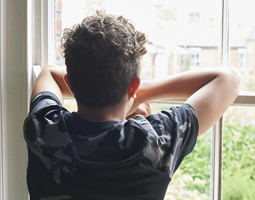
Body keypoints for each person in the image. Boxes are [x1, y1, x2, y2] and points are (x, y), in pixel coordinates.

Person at [23, 10, 241, 200]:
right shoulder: (154, 141)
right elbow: (228, 79)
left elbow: (49, 73)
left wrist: (127, 90)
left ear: (69, 84)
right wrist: (135, 92)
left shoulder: (43, 129)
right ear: (133, 85)